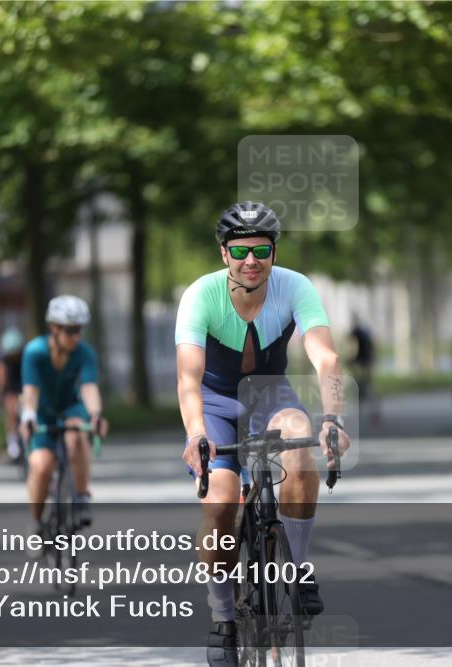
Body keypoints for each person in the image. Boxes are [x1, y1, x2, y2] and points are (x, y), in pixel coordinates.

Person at [175, 201, 352, 667]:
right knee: (220, 502)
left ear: (274, 251)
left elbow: (327, 359)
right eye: (240, 250)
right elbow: (188, 379)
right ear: (224, 253)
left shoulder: (296, 286)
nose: (250, 260)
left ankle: (296, 569)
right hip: (216, 403)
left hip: (272, 396)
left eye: (261, 249)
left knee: (300, 443)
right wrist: (196, 435)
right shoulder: (200, 295)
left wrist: (332, 418)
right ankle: (223, 619)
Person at [18, 295, 109, 551]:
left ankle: (80, 495)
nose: (76, 336)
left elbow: (89, 387)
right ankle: (36, 523)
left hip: (71, 405)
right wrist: (28, 418)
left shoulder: (84, 353)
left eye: (80, 330)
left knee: (77, 433)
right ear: (54, 328)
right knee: (42, 464)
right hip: (42, 411)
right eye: (70, 330)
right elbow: (31, 391)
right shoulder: (35, 352)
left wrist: (96, 415)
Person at [0, 326, 25, 462]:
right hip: (11, 386)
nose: (13, 358)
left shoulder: (26, 356)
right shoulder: (3, 358)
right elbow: (0, 374)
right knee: (11, 413)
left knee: (26, 411)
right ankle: (13, 448)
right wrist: (0, 392)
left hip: (24, 384)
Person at [348, 313, 380, 426]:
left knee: (357, 387)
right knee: (370, 386)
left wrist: (350, 360)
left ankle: (359, 412)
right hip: (368, 361)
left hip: (359, 363)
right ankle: (375, 411)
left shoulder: (354, 332)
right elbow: (374, 345)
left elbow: (353, 348)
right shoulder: (366, 330)